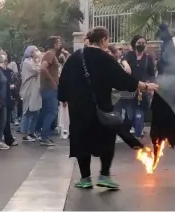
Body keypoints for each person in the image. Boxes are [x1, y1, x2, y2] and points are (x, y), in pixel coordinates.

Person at [58, 26, 159, 189]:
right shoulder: (105, 59)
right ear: (103, 40)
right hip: (101, 107)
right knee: (106, 139)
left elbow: (64, 80)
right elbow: (123, 79)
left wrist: (63, 98)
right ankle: (104, 175)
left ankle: (85, 178)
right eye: (107, 39)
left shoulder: (75, 57)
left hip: (78, 108)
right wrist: (146, 86)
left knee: (81, 140)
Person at [122, 35, 155, 139]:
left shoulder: (148, 58)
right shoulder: (129, 55)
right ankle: (131, 129)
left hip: (143, 90)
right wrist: (126, 65)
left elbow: (152, 74)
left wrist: (152, 87)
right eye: (139, 43)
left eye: (143, 43)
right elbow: (123, 61)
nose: (141, 45)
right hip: (130, 90)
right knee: (130, 114)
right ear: (134, 44)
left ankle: (138, 133)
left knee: (140, 113)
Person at [39, 36, 63, 146]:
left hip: (49, 88)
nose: (60, 44)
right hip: (49, 88)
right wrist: (53, 81)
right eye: (59, 42)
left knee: (48, 111)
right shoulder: (50, 54)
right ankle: (44, 136)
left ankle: (43, 134)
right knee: (52, 111)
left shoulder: (52, 55)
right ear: (54, 44)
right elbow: (43, 68)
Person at [19, 46, 42, 142]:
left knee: (36, 112)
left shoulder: (33, 61)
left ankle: (31, 132)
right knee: (27, 112)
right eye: (34, 51)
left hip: (36, 90)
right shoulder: (27, 62)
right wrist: (38, 60)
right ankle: (24, 134)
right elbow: (37, 71)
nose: (36, 52)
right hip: (28, 90)